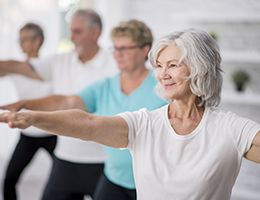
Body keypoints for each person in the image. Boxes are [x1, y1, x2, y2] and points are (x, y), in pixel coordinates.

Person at [1, 28, 260, 200]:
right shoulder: (144, 123)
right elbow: (89, 123)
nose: (163, 74)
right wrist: (32, 116)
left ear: (200, 68)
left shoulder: (229, 128)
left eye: (173, 65)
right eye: (159, 66)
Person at [0, 19, 166, 200]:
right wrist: (27, 106)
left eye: (125, 48)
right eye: (115, 48)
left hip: (150, 181)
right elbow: (67, 101)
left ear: (145, 50)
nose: (118, 54)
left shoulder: (163, 86)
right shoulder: (105, 86)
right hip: (114, 178)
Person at [1, 9, 117, 200]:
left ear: (95, 33)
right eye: (70, 31)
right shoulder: (60, 61)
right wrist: (23, 104)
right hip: (66, 158)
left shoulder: (114, 63)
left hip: (101, 160)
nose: (71, 37)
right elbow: (22, 67)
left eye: (77, 31)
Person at [0, 22, 56, 200]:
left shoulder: (52, 64)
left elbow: (36, 72)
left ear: (37, 40)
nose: (20, 44)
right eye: (19, 39)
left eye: (24, 39)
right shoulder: (14, 67)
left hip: (52, 132)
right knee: (9, 180)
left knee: (63, 181)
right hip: (28, 134)